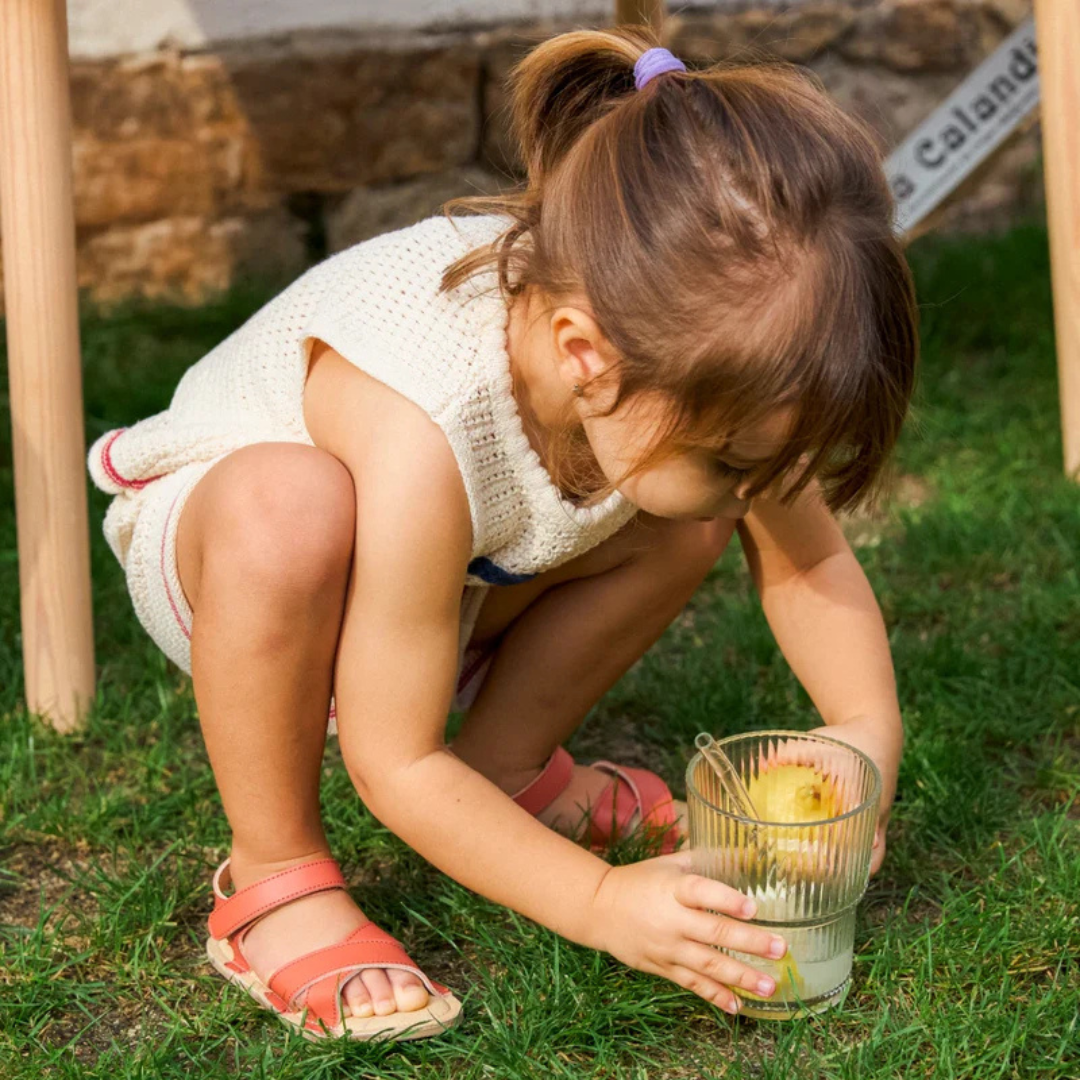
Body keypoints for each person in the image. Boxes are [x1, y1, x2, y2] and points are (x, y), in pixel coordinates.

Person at [88, 26, 916, 1043]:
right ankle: (276, 873)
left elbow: (813, 554)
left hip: (444, 579)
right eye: (739, 459)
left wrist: (862, 731)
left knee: (689, 521)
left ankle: (509, 772)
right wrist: (602, 906)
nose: (754, 488)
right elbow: (393, 762)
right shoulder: (426, 410)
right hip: (238, 575)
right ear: (586, 355)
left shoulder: (678, 355)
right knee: (290, 505)